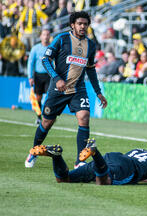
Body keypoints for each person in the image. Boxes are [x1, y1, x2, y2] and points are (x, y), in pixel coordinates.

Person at [25, 11, 108, 169]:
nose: (83, 26)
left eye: (85, 24)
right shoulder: (61, 39)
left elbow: (90, 69)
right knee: (47, 122)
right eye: (79, 24)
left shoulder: (90, 45)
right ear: (73, 25)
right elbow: (45, 59)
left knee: (84, 117)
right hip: (58, 89)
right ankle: (33, 150)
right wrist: (56, 79)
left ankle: (79, 161)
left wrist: (98, 92)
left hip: (78, 89)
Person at [29, 139, 147, 186]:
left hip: (112, 158)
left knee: (63, 178)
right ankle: (94, 152)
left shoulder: (137, 150)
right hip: (125, 167)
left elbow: (130, 166)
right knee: (104, 181)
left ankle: (56, 156)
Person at [27, 28, 52, 125]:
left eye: (47, 35)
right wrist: (30, 77)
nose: (46, 37)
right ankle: (38, 117)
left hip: (49, 75)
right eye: (44, 34)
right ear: (41, 36)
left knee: (49, 97)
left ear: (50, 36)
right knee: (38, 97)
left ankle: (48, 116)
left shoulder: (52, 48)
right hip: (38, 75)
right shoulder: (35, 48)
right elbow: (31, 63)